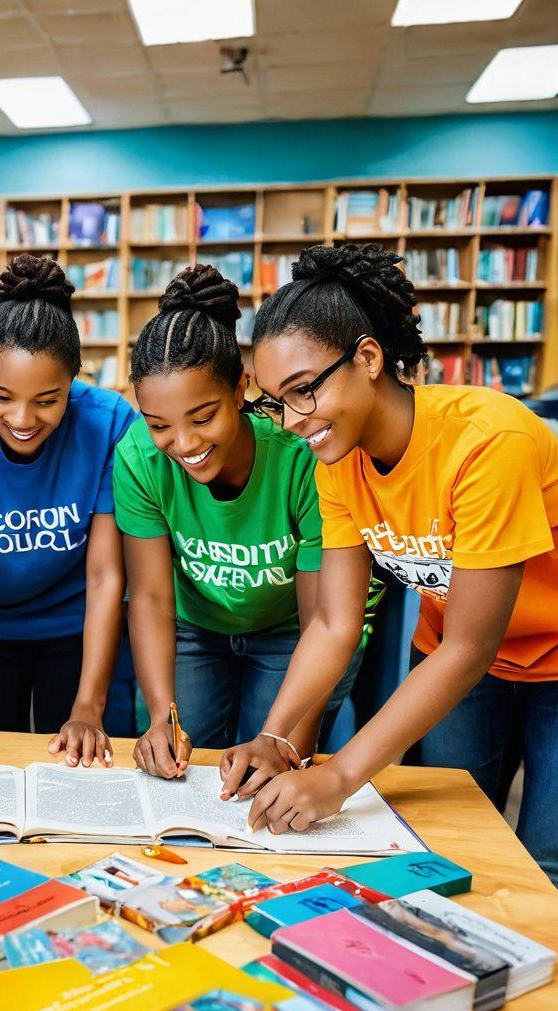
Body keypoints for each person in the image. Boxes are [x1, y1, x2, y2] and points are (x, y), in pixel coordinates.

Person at [222, 243, 558, 883]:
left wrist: (340, 775)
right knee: (449, 844)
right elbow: (333, 624)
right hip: (457, 659)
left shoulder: (489, 441)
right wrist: (276, 737)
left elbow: (469, 646)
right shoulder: (336, 457)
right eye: (275, 401)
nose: (292, 421)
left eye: (303, 391)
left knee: (543, 862)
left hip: (524, 658)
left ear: (368, 358)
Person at [114, 264, 370, 780]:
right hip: (194, 629)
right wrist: (162, 714)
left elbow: (322, 618)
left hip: (290, 632)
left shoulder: (302, 458)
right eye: (159, 424)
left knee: (270, 768)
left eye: (203, 417)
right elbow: (150, 597)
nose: (183, 444)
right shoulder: (138, 458)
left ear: (240, 390)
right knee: (181, 764)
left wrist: (287, 744)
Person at [0, 254, 137, 773]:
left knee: (88, 773)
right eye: (1, 396)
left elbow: (106, 576)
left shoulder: (108, 423)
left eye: (47, 400)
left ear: (75, 383)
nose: (21, 419)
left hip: (78, 631)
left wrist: (89, 706)